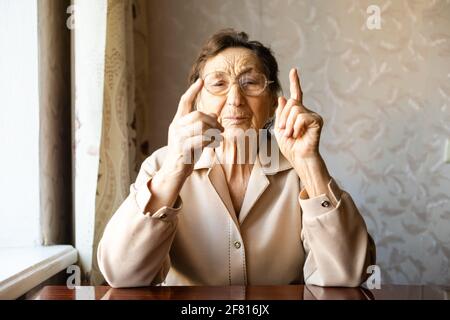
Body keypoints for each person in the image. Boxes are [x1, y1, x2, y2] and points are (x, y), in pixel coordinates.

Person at [97, 29, 376, 288]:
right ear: (197, 102)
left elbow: (349, 274)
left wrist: (310, 165)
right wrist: (173, 169)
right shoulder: (162, 165)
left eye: (250, 83)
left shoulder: (298, 169)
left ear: (272, 103)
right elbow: (121, 275)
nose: (235, 99)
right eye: (218, 84)